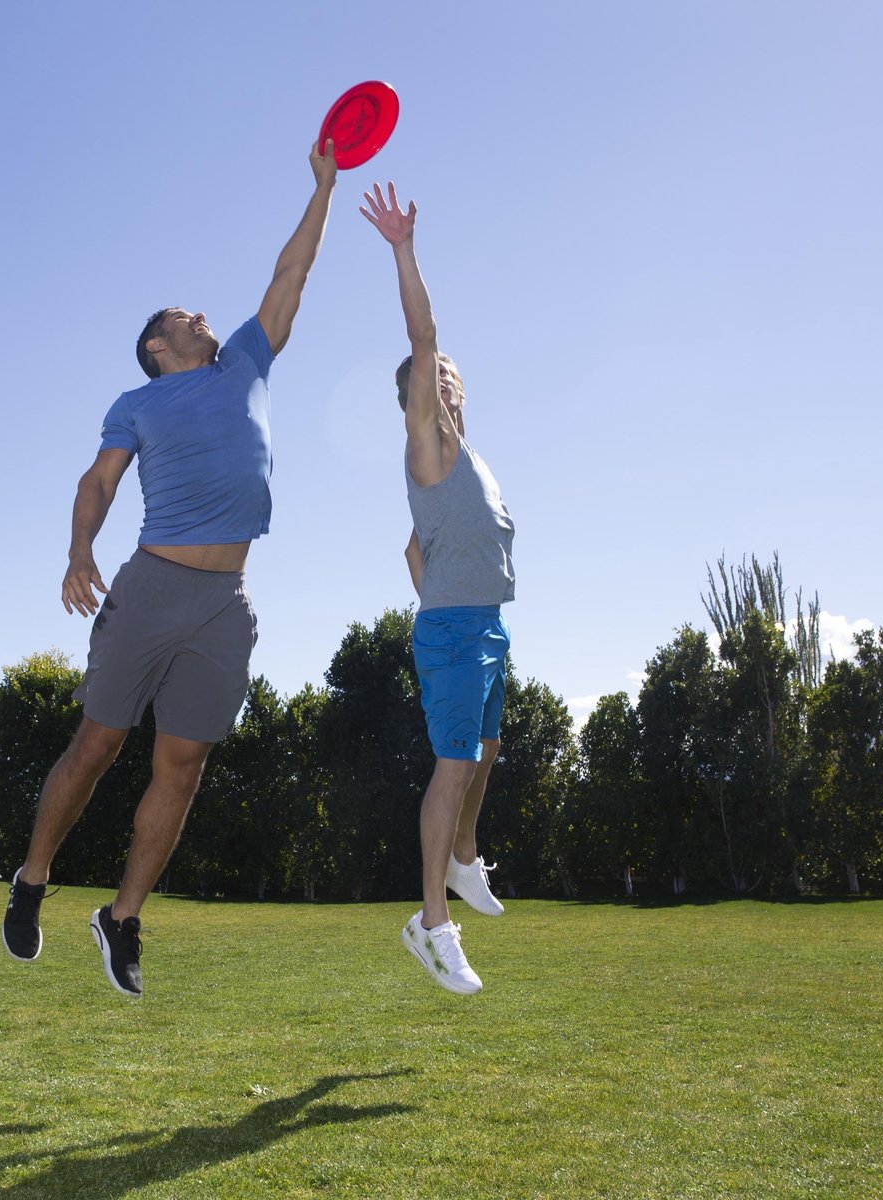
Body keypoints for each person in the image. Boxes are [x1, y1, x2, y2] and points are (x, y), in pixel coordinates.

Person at [1, 140, 338, 998]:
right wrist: (79, 551)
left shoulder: (246, 366)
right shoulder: (139, 401)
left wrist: (324, 186)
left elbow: (290, 273)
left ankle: (121, 918)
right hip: (150, 586)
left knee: (181, 768)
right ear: (157, 343)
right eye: (188, 313)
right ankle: (33, 877)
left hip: (228, 604)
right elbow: (98, 479)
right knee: (98, 744)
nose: (205, 317)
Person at [360, 181, 515, 995]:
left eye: (453, 375)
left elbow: (410, 548)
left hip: (481, 624)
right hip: (456, 630)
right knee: (451, 767)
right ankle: (431, 923)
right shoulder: (427, 444)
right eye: (435, 376)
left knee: (486, 749)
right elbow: (423, 335)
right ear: (417, 396)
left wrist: (438, 590)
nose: (448, 379)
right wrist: (402, 248)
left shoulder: (465, 463)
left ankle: (463, 855)